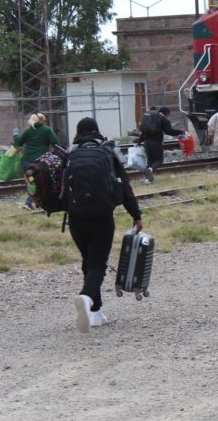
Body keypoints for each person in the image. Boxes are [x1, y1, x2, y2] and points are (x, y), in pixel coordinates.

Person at [68, 117, 142, 333]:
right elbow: (124, 187)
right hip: (102, 217)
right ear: (97, 131)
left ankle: (96, 313)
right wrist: (136, 215)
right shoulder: (108, 151)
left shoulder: (71, 153)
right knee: (98, 264)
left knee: (88, 261)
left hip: (76, 218)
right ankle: (86, 297)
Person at [13, 112, 59, 210]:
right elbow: (56, 143)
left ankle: (31, 202)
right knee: (42, 182)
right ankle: (33, 202)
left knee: (32, 181)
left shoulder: (28, 131)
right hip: (41, 163)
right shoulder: (47, 130)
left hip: (27, 162)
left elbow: (19, 143)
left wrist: (15, 135)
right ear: (43, 121)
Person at [139, 106, 184, 184]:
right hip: (156, 142)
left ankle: (148, 180)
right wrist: (181, 132)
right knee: (159, 160)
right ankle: (150, 170)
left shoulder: (151, 118)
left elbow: (143, 132)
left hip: (146, 142)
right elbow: (169, 132)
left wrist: (139, 142)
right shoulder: (163, 119)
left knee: (150, 161)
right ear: (167, 114)